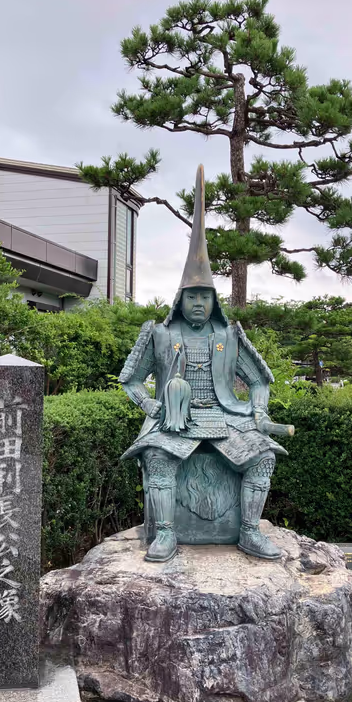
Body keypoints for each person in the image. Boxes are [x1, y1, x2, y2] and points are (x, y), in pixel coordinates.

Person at [119, 165, 290, 563]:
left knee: (263, 454)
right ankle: (165, 533)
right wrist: (153, 407)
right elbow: (130, 381)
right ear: (179, 299)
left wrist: (259, 414)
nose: (198, 303)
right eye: (192, 296)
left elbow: (260, 381)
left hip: (225, 416)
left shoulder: (229, 336)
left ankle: (248, 531)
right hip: (174, 419)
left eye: (205, 296)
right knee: (157, 455)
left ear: (215, 301)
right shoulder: (159, 334)